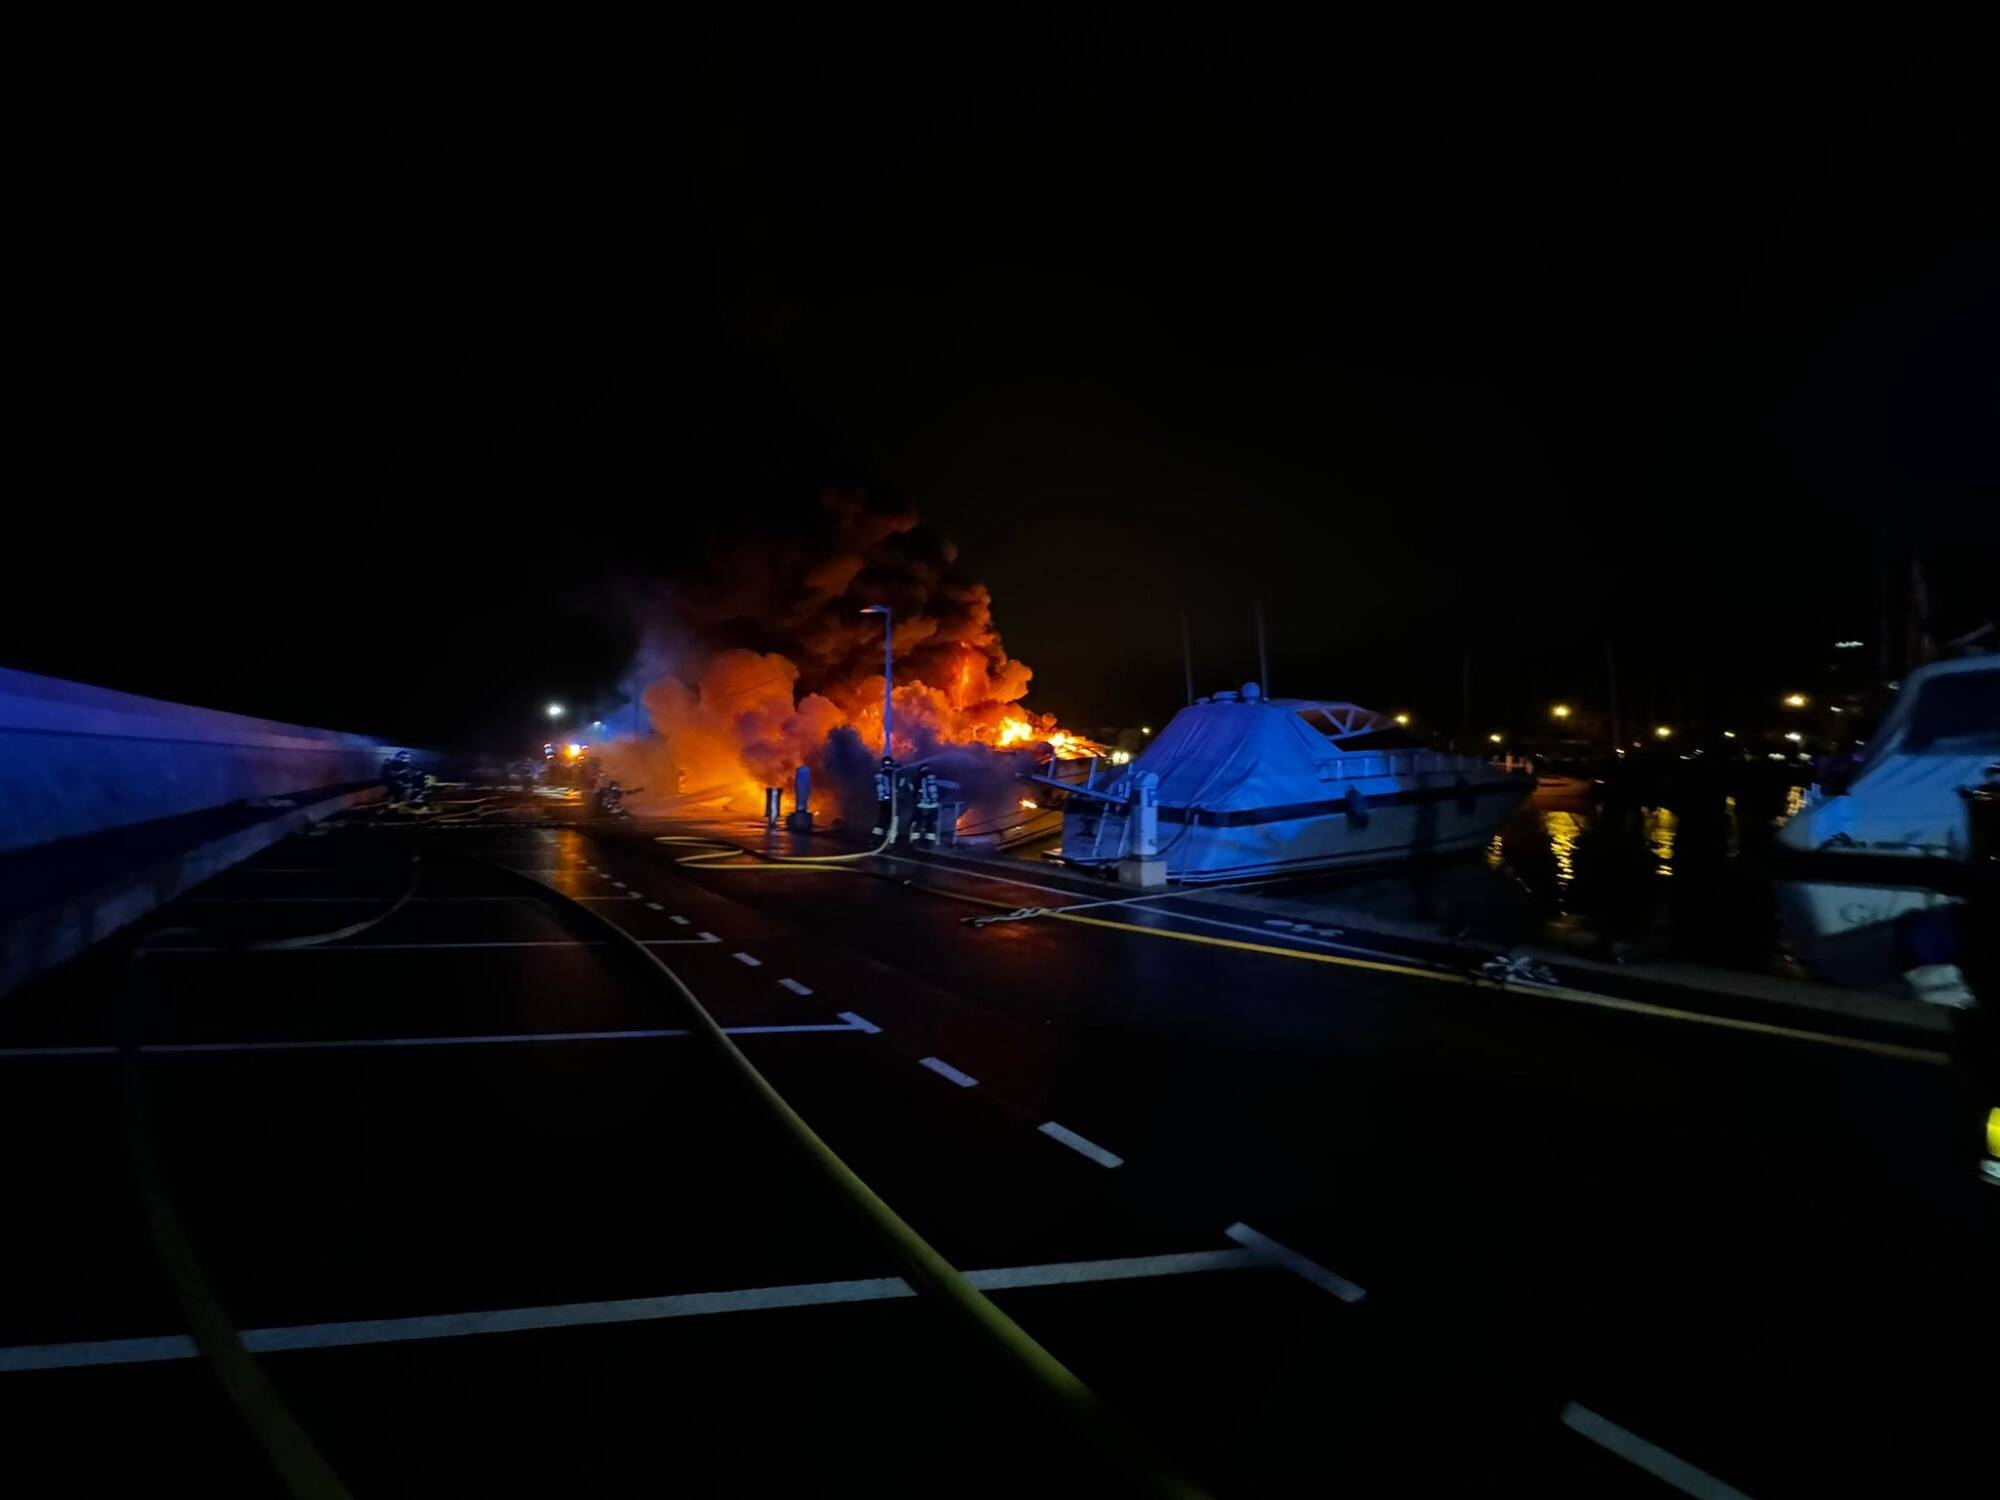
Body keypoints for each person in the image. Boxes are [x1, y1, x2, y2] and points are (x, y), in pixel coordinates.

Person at [914, 764, 960, 847]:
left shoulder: (919, 777)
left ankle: (915, 842)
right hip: (934, 805)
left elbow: (915, 790)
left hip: (922, 805)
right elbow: (943, 785)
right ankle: (929, 844)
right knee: (931, 824)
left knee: (918, 822)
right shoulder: (932, 776)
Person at [872, 756, 896, 837]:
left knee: (882, 817)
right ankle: (885, 837)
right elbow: (887, 786)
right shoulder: (888, 774)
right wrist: (888, 796)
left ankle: (876, 837)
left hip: (881, 799)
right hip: (887, 799)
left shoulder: (879, 774)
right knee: (887, 818)